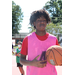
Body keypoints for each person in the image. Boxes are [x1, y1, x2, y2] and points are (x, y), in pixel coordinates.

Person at [20, 9, 59, 75]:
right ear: (34, 23)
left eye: (44, 20)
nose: (42, 22)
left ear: (47, 22)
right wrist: (32, 63)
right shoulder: (27, 39)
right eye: (39, 20)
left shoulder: (54, 39)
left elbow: (58, 56)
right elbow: (21, 60)